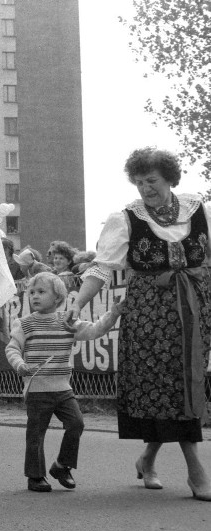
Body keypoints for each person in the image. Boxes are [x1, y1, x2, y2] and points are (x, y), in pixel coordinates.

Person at [66, 147, 211, 501]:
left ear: (170, 179)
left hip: (194, 312)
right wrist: (78, 302)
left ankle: (147, 459)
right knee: (164, 388)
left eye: (153, 180)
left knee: (184, 385)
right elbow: (102, 268)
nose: (146, 188)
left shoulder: (198, 208)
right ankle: (197, 472)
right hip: (148, 316)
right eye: (140, 181)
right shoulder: (127, 217)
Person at [6, 272, 121, 492]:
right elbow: (12, 348)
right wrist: (20, 365)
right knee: (36, 434)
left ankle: (61, 466)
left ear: (58, 298)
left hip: (63, 389)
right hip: (37, 390)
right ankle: (35, 476)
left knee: (76, 424)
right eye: (31, 293)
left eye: (41, 292)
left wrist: (113, 314)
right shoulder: (24, 324)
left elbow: (95, 330)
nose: (35, 297)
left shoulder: (67, 322)